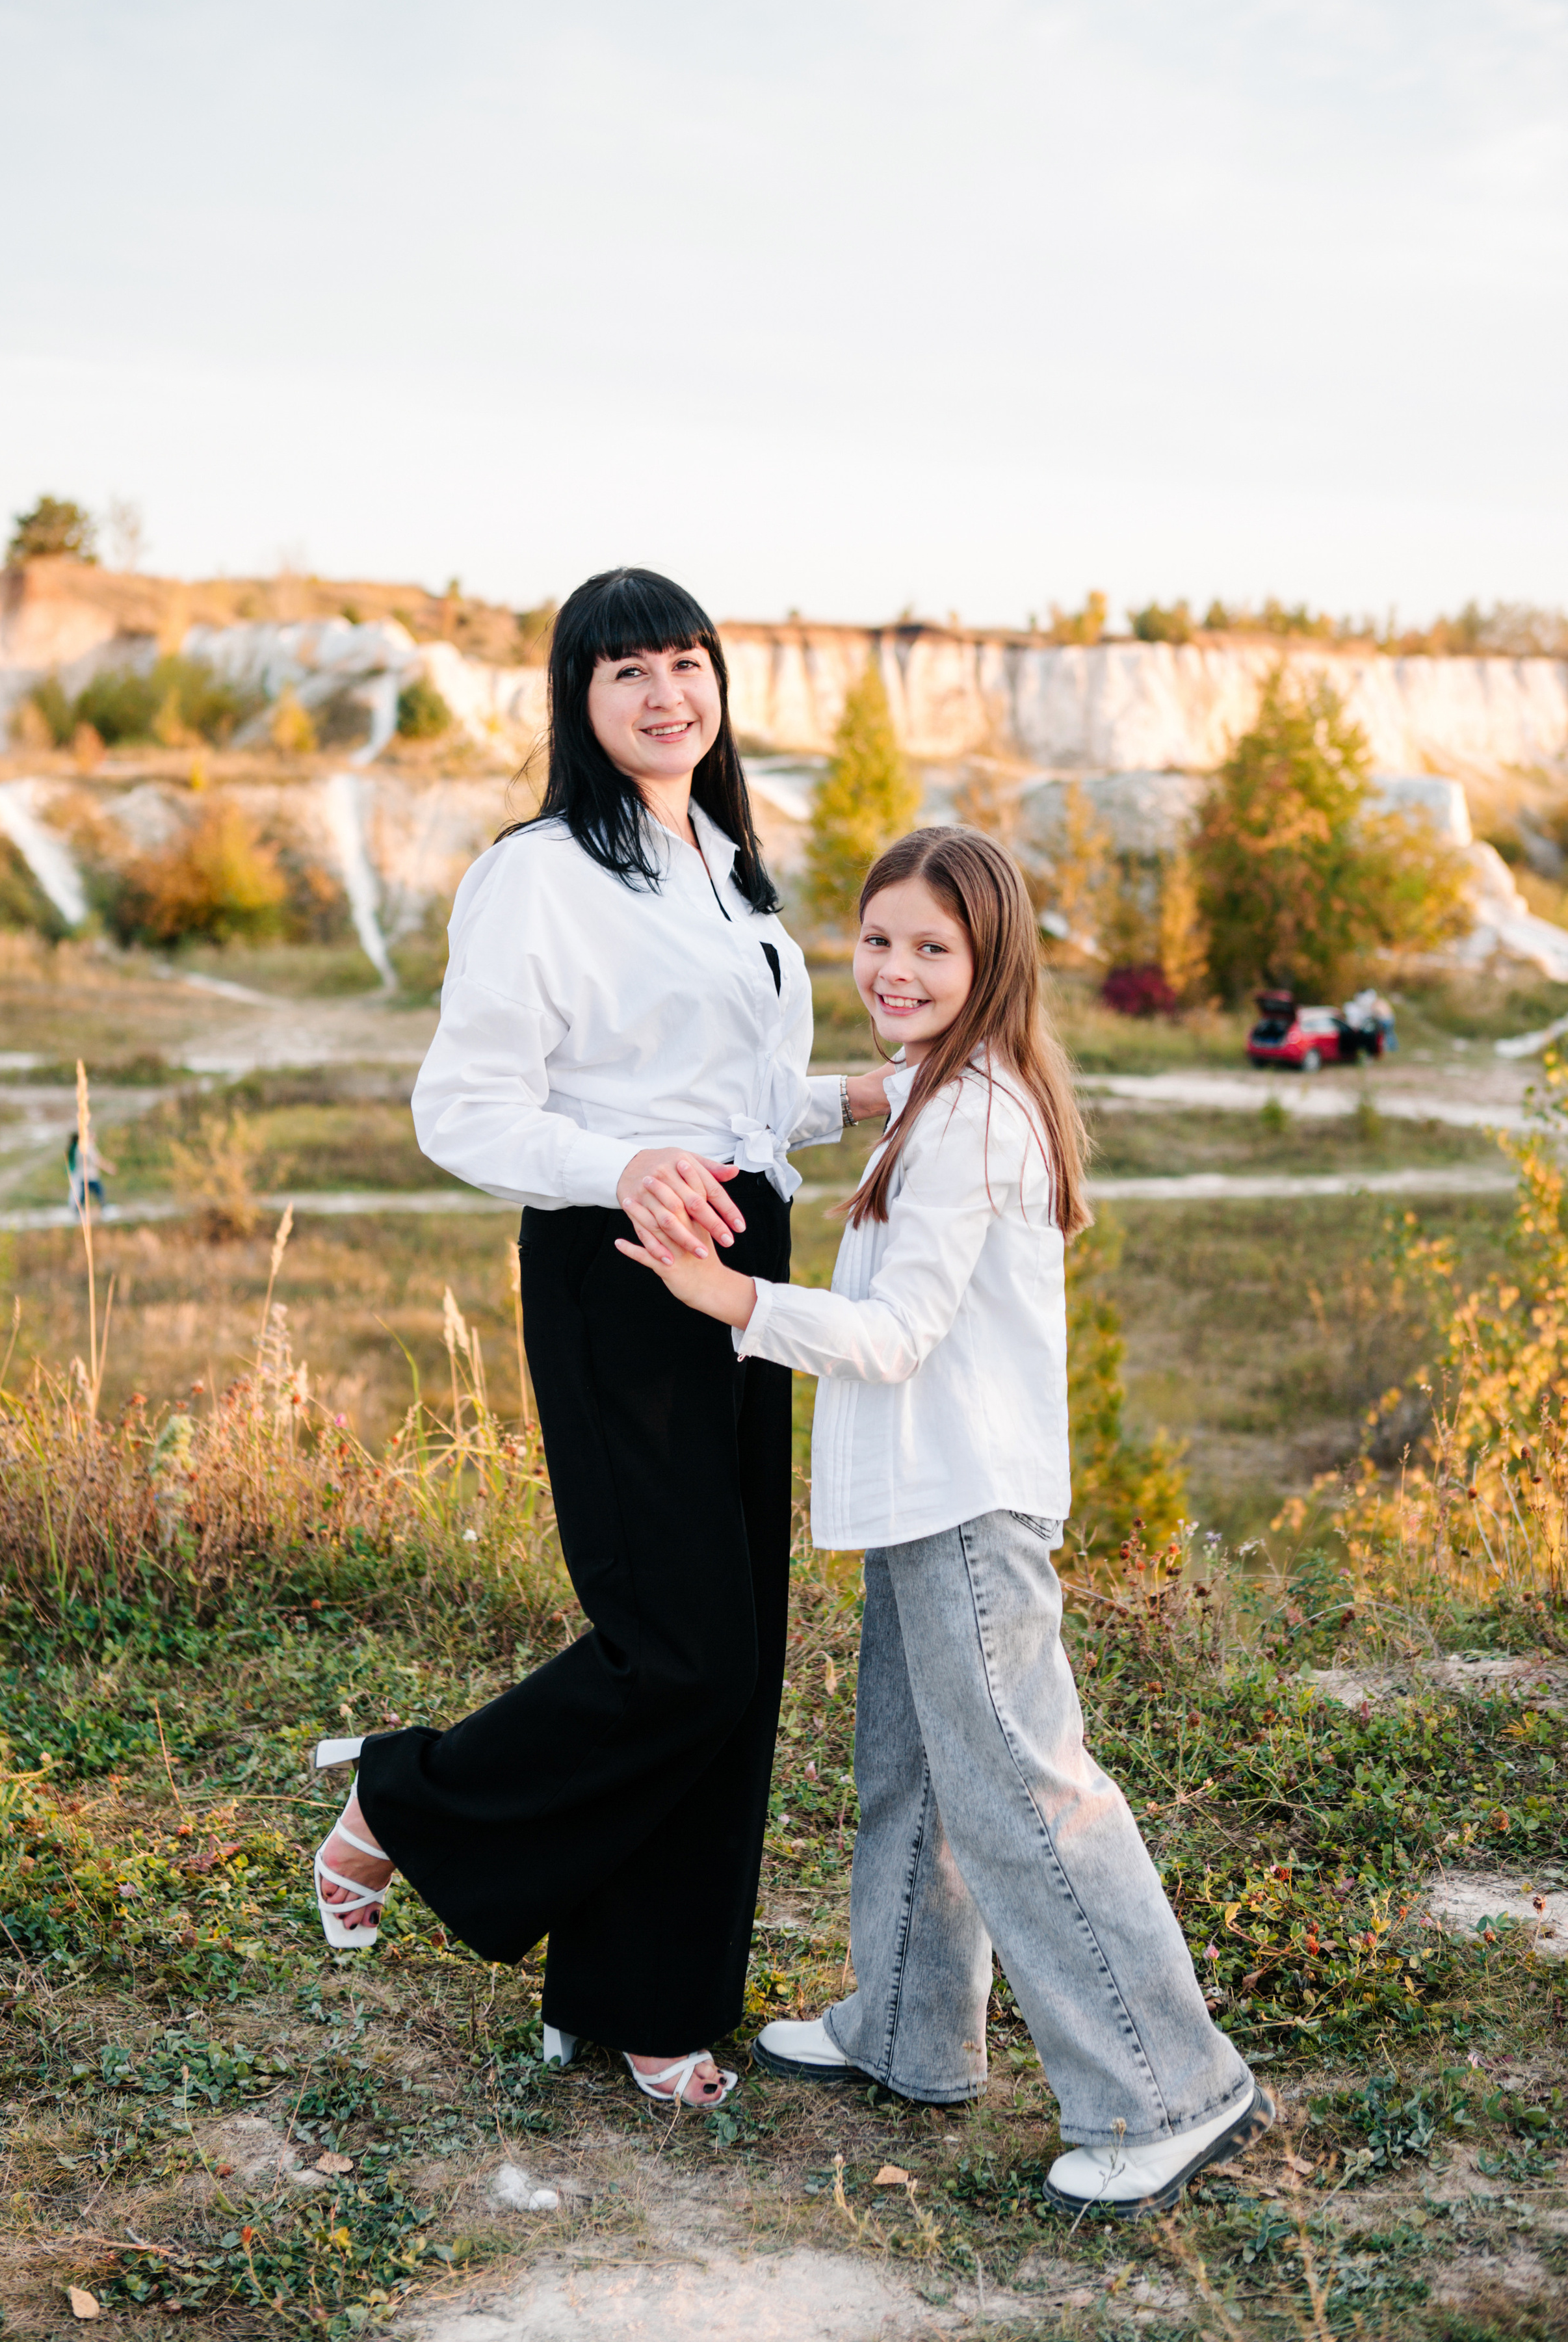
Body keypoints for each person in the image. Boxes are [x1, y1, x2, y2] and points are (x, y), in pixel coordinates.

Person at [615, 826, 1273, 2213]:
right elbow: (814, 1098)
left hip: (968, 1498)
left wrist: (731, 1303)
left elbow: (902, 1332)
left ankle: (1173, 2090)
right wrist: (732, 1120)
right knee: (911, 1777)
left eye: (931, 948)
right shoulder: (927, 1083)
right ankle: (909, 2029)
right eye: (875, 942)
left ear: (988, 963)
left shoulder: (972, 1110)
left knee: (1022, 1794)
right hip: (924, 1498)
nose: (894, 970)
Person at [307, 568, 893, 2110]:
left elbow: (726, 1095)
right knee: (676, 1648)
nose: (663, 694)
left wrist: (841, 1104)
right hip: (615, 1260)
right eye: (624, 669)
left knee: (735, 1655)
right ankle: (403, 1797)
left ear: (717, 682)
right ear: (577, 699)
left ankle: (645, 2004)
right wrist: (616, 1166)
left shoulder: (721, 861)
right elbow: (465, 1107)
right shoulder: (541, 871)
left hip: (739, 1258)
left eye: (685, 662)